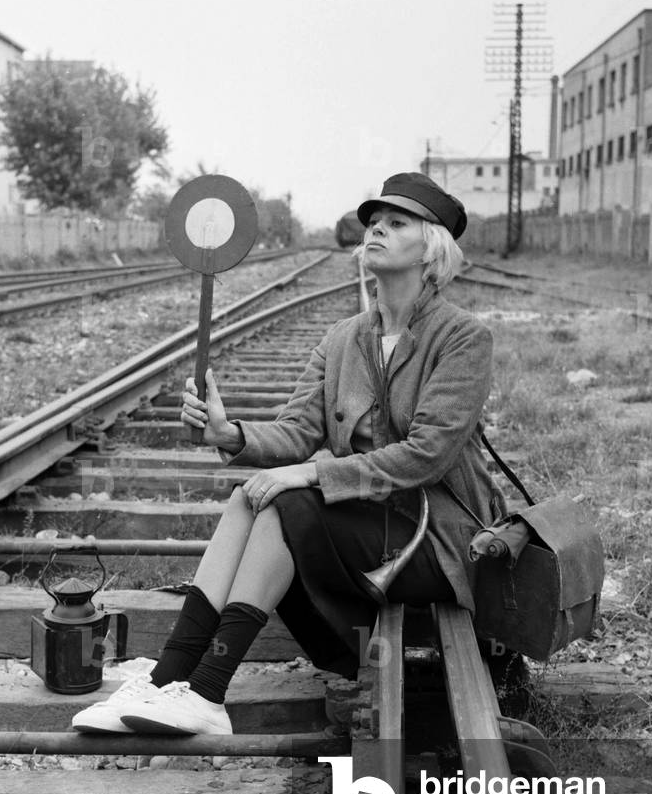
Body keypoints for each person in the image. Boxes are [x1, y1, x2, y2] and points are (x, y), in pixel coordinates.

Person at [72, 172, 511, 737]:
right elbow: (298, 431)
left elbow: (426, 456)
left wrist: (309, 473)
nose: (376, 230)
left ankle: (207, 691)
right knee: (248, 496)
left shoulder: (462, 338)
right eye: (373, 222)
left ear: (431, 249)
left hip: (436, 541)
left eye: (396, 223)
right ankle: (168, 679)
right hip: (367, 527)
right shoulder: (343, 339)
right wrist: (230, 434)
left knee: (285, 502)